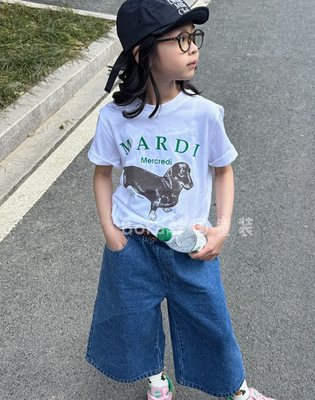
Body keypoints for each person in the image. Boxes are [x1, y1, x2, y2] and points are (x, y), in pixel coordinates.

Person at [86, 1, 277, 399]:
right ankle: (157, 379)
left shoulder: (204, 114)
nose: (193, 49)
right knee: (134, 321)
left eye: (194, 38)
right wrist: (110, 230)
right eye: (180, 40)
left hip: (190, 244)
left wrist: (222, 228)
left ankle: (237, 389)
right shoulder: (114, 118)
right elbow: (102, 174)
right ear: (143, 53)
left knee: (211, 322)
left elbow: (223, 170)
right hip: (132, 245)